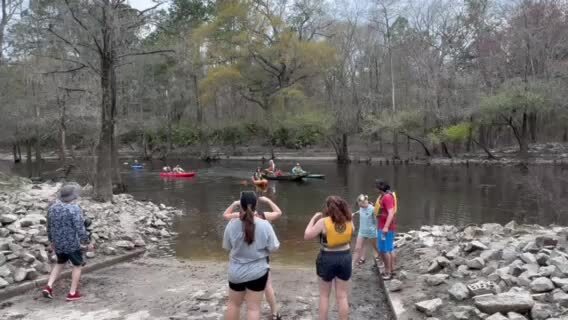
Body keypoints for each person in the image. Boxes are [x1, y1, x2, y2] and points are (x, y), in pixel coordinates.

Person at [223, 194, 283, 320]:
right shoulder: (265, 224)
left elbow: (227, 246)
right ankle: (275, 312)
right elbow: (274, 247)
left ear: (241, 206)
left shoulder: (232, 224)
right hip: (258, 272)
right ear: (256, 205)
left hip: (236, 272)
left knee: (233, 304)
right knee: (253, 308)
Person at [304, 196, 353, 320]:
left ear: (328, 208)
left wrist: (313, 218)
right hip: (345, 256)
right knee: (342, 296)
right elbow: (352, 231)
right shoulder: (349, 220)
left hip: (328, 257)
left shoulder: (323, 222)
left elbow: (307, 235)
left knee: (324, 296)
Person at [42, 184, 93, 301]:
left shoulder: (52, 208)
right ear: (73, 196)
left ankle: (48, 286)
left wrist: (51, 241)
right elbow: (80, 227)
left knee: (60, 263)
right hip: (72, 243)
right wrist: (87, 242)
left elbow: (49, 227)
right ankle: (72, 293)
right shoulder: (74, 209)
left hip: (58, 242)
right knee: (77, 265)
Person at [374, 180, 398, 280]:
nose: (375, 189)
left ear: (379, 188)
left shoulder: (387, 197)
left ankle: (388, 272)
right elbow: (385, 210)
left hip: (385, 228)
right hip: (385, 226)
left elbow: (391, 212)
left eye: (376, 187)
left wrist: (386, 227)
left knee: (384, 250)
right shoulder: (386, 196)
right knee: (389, 248)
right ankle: (392, 269)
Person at [353, 194, 379, 266]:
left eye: (360, 204)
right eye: (359, 205)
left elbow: (377, 220)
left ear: (365, 201)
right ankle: (362, 259)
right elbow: (360, 211)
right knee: (358, 247)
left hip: (372, 231)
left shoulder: (373, 209)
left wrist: (377, 229)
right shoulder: (361, 208)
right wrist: (354, 214)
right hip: (362, 231)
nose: (360, 206)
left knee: (375, 247)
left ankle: (380, 257)